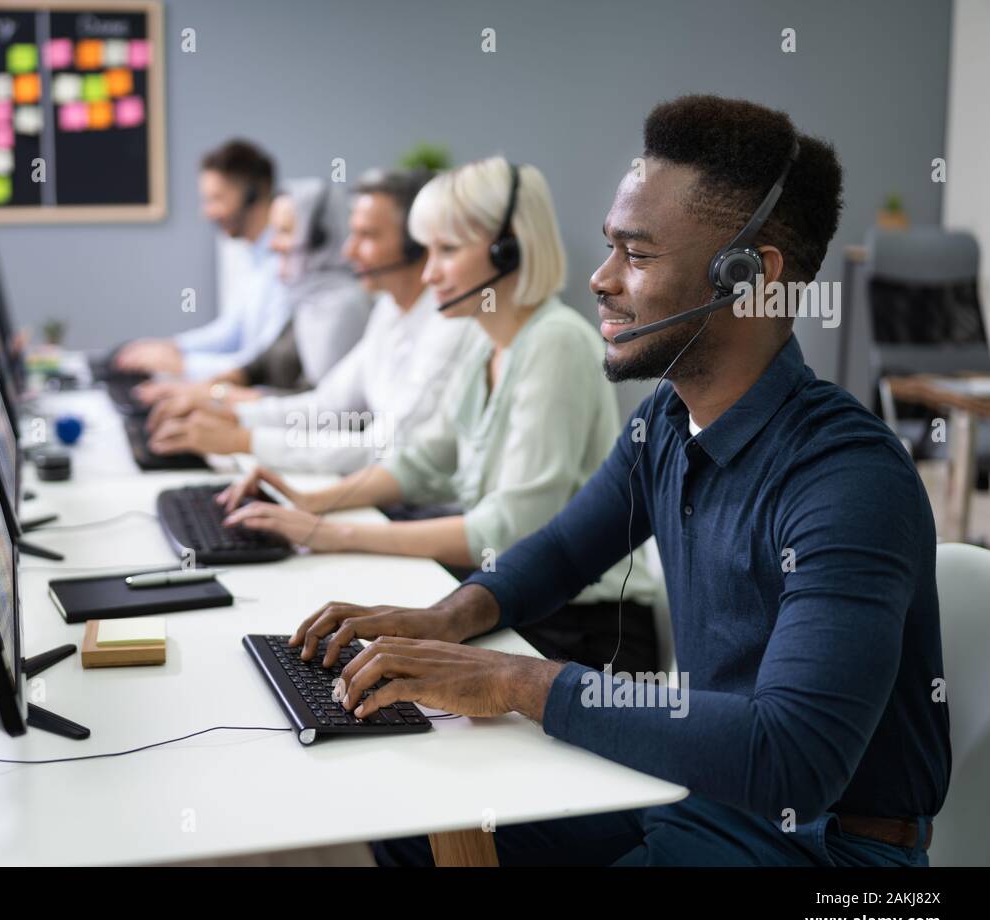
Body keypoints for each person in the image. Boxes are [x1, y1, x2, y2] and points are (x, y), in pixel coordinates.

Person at [285, 95, 949, 867]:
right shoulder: (665, 421)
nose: (600, 280)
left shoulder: (849, 480)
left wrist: (515, 681)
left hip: (826, 850)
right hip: (699, 793)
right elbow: (565, 550)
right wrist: (443, 619)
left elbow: (790, 758)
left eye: (636, 255)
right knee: (415, 824)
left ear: (749, 276)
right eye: (611, 248)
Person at [219, 157, 658, 669]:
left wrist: (333, 533)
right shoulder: (487, 339)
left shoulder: (554, 343)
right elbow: (422, 461)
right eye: (426, 251)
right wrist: (313, 504)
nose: (428, 274)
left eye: (446, 251)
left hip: (586, 633)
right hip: (515, 603)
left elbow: (508, 529)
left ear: (508, 249)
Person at [144, 166, 469, 473]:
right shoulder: (389, 309)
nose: (348, 251)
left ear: (417, 247)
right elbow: (327, 406)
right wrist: (230, 414)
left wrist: (244, 438)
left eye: (367, 236)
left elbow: (386, 447)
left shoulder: (447, 325)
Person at [134, 179, 370, 410]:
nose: (272, 245)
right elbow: (260, 364)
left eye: (285, 232)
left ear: (320, 238)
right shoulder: (308, 295)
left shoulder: (342, 306)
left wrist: (220, 397)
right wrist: (198, 389)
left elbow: (324, 407)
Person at [113, 139, 284, 380]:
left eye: (216, 199)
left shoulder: (286, 263)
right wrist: (172, 347)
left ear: (254, 194)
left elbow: (261, 363)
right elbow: (231, 332)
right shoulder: (255, 256)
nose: (206, 212)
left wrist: (182, 364)